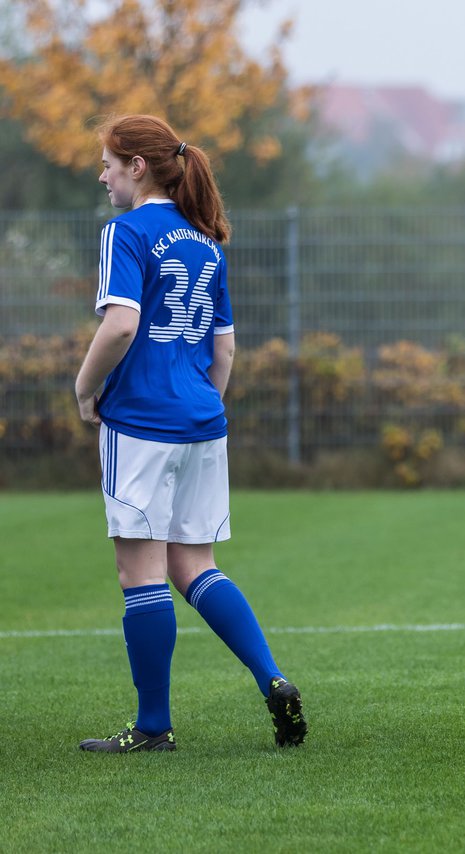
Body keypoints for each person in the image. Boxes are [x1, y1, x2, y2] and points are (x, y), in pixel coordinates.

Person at [74, 114, 306, 752]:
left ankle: (153, 727)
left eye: (109, 164)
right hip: (203, 420)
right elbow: (225, 349)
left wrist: (83, 388)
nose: (103, 176)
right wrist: (200, 407)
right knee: (196, 564)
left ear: (138, 167)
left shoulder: (124, 231)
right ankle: (273, 679)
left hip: (142, 422)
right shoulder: (205, 242)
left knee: (141, 575)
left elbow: (121, 325)